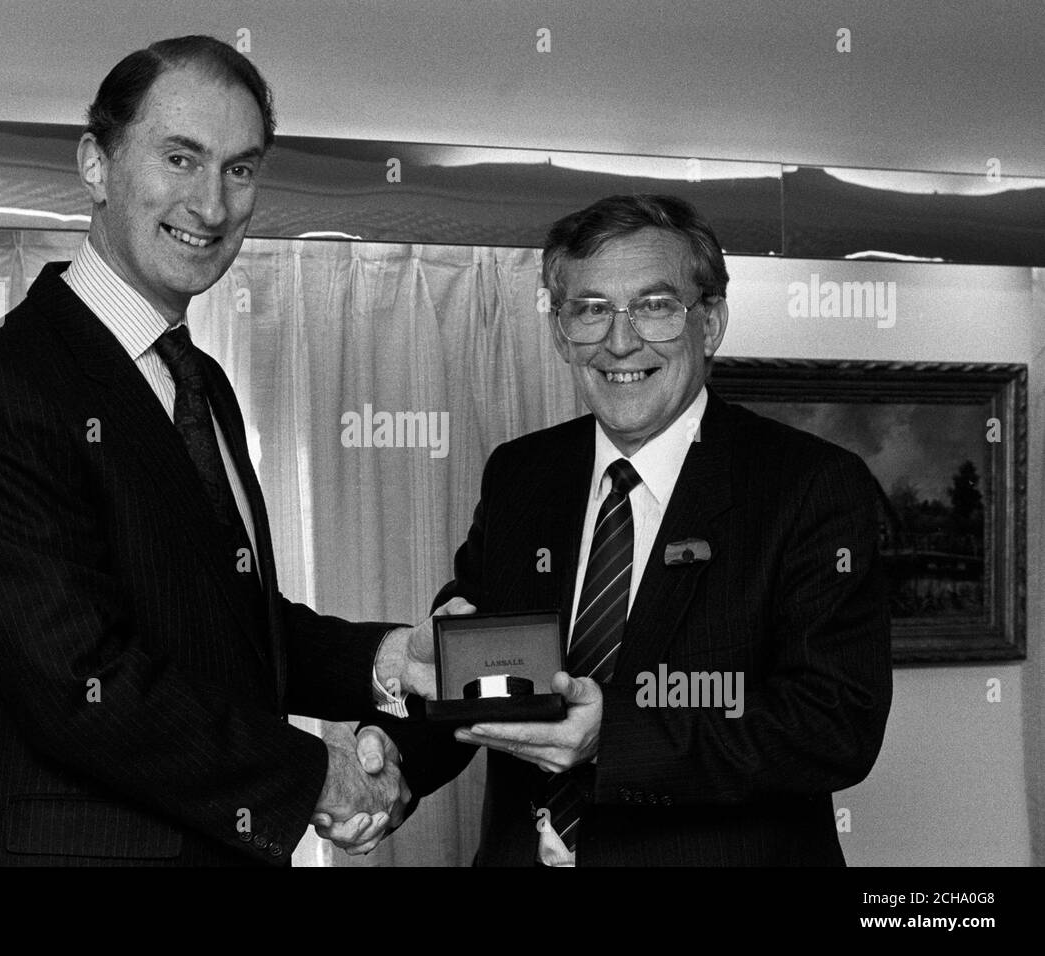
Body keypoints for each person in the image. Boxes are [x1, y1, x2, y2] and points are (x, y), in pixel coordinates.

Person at [0, 36, 436, 866]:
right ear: (96, 164)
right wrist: (316, 774)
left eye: (240, 169)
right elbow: (76, 681)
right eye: (180, 158)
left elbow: (218, 628)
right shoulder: (1, 383)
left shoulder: (201, 384)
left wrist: (386, 658)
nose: (212, 203)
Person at [375, 194, 893, 866]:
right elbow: (477, 672)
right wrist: (392, 762)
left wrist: (612, 737)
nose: (620, 341)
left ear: (710, 324)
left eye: (655, 305)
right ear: (561, 332)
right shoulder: (520, 475)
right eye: (591, 309)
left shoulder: (811, 486)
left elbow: (835, 724)